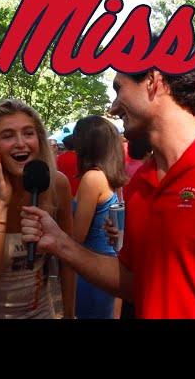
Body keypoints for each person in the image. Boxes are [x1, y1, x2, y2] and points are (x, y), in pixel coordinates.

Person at [21, 59, 195, 318]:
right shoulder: (141, 185)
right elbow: (135, 282)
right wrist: (60, 242)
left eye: (119, 88)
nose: (113, 106)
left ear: (153, 81)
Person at [0, 99, 75, 318]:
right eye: (8, 135)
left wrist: (69, 313)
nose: (20, 143)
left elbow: (67, 260)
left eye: (28, 133)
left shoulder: (57, 185)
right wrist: (1, 206)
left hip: (39, 311)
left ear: (39, 140)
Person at [72, 116, 127, 319]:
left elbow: (77, 237)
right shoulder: (110, 177)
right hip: (110, 267)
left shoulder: (92, 178)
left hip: (93, 269)